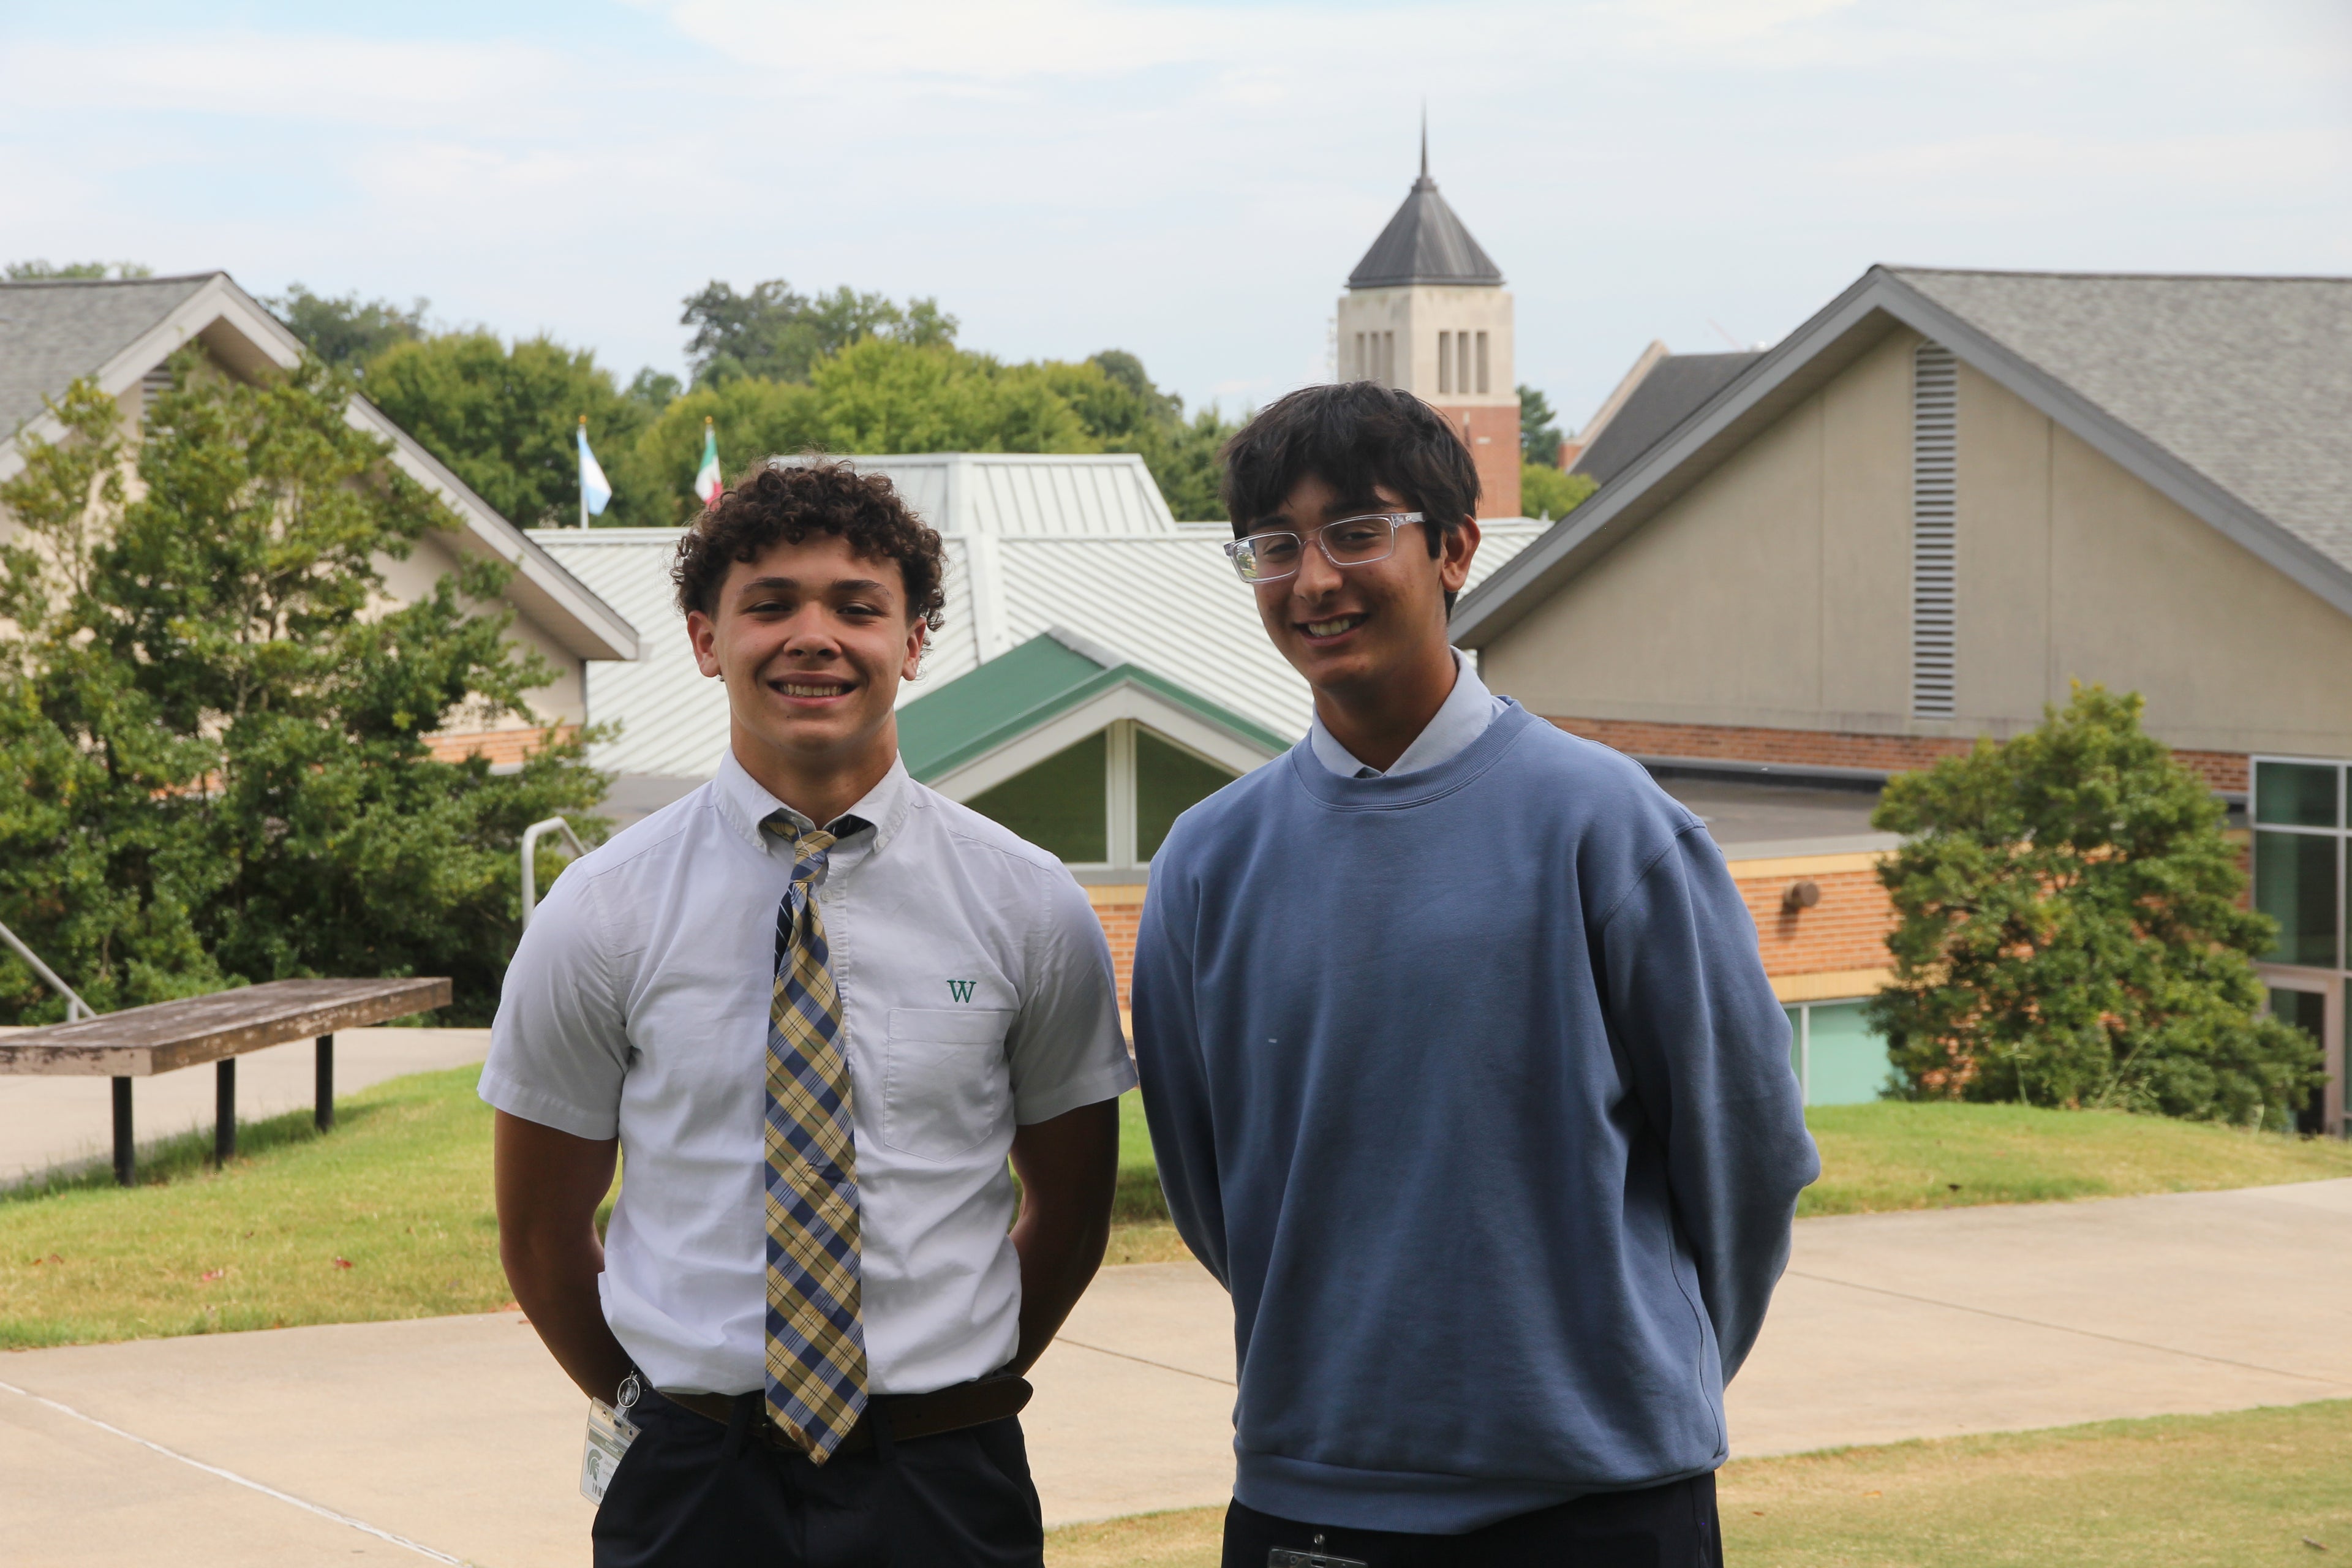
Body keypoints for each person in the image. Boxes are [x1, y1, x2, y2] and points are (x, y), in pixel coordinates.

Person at [1131, 383, 1819, 1568]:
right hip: (1313, 1500)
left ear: (1455, 549)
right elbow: (1213, 1189)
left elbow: (1744, 1157)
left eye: (1356, 532)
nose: (1313, 581)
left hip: (1600, 1505)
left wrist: (1632, 1379)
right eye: (1275, 546)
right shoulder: (1208, 860)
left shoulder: (1609, 828)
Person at [484, 459, 1135, 1568]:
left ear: (915, 642)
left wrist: (951, 1391)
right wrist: (668, 1411)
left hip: (946, 1478)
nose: (813, 636)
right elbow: (543, 1236)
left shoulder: (1027, 906)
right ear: (706, 639)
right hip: (694, 1485)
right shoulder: (600, 916)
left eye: (857, 606)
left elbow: (1070, 1212)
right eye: (771, 604)